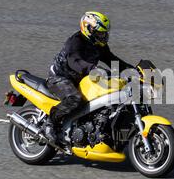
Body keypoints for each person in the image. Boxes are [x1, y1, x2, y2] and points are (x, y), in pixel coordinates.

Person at [44, 11, 133, 143]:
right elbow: (75, 62)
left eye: (104, 33)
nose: (103, 36)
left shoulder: (98, 45)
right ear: (88, 29)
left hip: (81, 79)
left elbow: (112, 60)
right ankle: (50, 124)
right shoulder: (75, 43)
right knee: (75, 99)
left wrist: (132, 70)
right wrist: (94, 69)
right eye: (100, 33)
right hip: (60, 78)